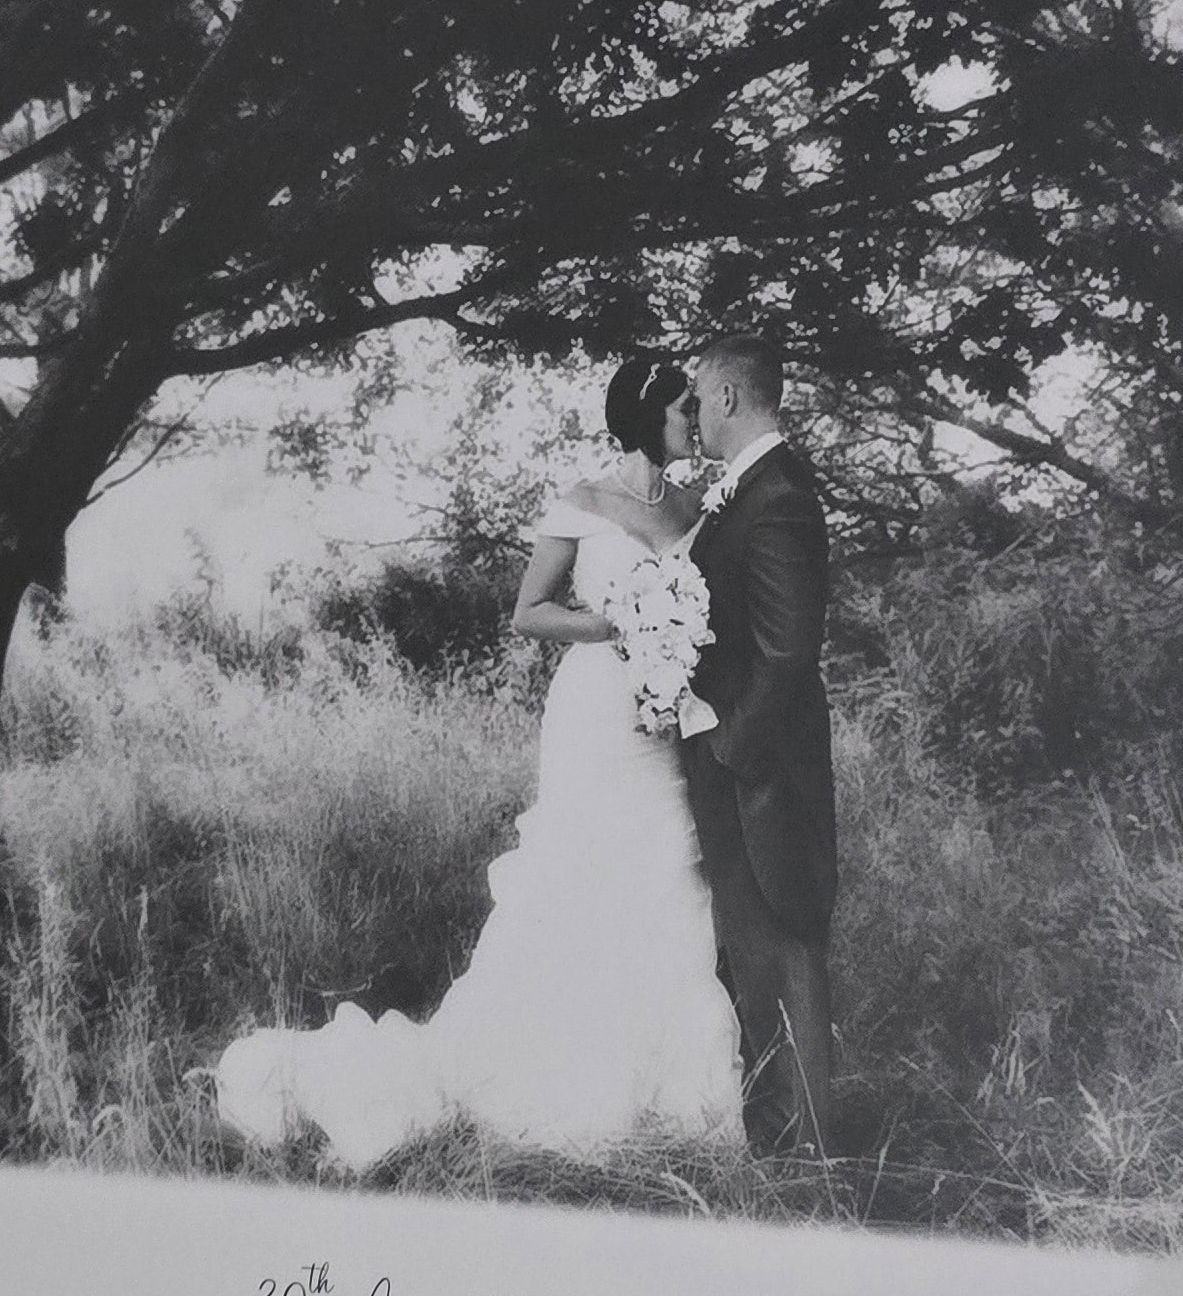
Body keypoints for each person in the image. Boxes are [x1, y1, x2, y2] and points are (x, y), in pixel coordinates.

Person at [209, 357, 743, 1172]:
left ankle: (670, 1086)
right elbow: (528, 612)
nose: (692, 421)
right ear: (645, 418)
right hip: (596, 713)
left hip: (666, 715)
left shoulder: (700, 503)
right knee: (583, 871)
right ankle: (556, 1067)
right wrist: (611, 626)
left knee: (666, 867)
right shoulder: (583, 503)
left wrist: (677, 641)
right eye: (680, 409)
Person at [583, 330, 838, 1157]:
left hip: (759, 770)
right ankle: (775, 1132)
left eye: (700, 395)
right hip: (728, 761)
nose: (695, 410)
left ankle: (808, 1149)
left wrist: (730, 746)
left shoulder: (778, 496)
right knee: (753, 954)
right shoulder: (747, 488)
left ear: (727, 397)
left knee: (784, 948)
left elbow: (789, 651)